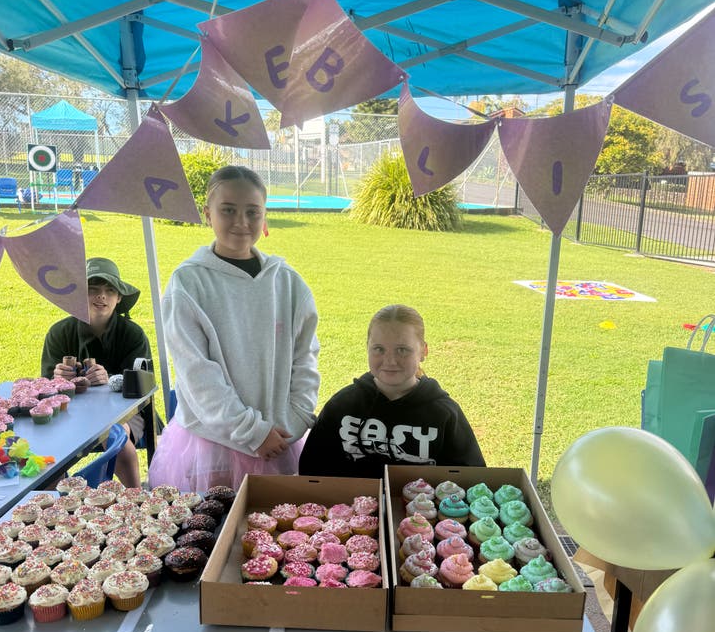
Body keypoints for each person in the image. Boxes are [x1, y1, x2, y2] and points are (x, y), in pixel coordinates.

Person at [147, 165, 320, 493]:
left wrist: (292, 423)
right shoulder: (188, 283)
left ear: (264, 215)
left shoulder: (288, 284)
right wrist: (252, 432)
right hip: (212, 443)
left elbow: (305, 358)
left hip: (280, 440)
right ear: (207, 214)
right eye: (228, 210)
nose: (241, 222)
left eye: (252, 212)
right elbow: (198, 375)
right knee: (212, 535)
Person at [299, 304, 485, 477]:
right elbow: (312, 469)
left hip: (419, 510)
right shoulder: (342, 405)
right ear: (367, 349)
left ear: (423, 352)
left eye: (402, 350)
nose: (390, 361)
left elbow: (471, 477)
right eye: (379, 349)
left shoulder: (444, 413)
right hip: (347, 507)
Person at [41, 257, 152, 488]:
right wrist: (57, 380)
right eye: (93, 289)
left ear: (119, 297)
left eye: (110, 290)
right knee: (46, 447)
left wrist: (111, 380)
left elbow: (144, 385)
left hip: (125, 412)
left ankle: (136, 497)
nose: (101, 296)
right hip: (70, 413)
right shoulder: (59, 333)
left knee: (116, 436)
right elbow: (43, 387)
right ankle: (58, 505)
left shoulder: (133, 334)